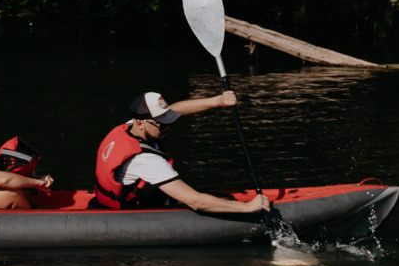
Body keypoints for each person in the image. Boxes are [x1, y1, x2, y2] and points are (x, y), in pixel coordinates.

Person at [92, 91, 272, 214]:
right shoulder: (145, 160)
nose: (167, 127)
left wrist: (218, 101)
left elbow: (177, 109)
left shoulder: (131, 126)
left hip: (116, 200)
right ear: (140, 123)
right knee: (207, 200)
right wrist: (248, 207)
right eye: (162, 124)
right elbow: (195, 201)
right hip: (136, 212)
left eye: (168, 120)